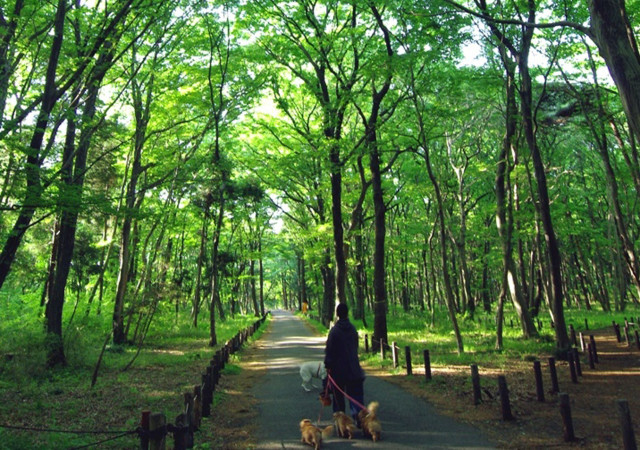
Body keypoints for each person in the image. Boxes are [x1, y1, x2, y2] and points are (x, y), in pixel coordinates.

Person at [323, 302, 365, 424]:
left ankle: (341, 424)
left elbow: (329, 351)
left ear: (337, 314)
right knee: (356, 397)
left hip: (338, 371)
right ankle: (361, 420)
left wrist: (328, 365)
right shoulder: (352, 329)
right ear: (347, 313)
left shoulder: (334, 331)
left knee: (338, 400)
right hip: (354, 369)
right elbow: (355, 347)